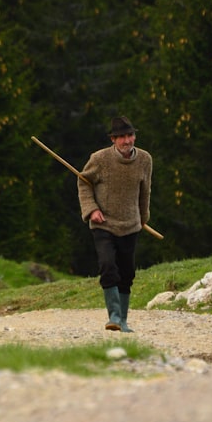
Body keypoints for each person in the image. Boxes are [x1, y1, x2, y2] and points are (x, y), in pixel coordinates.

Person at [78, 116, 152, 332]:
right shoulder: (99, 159)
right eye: (121, 137)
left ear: (134, 136)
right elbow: (84, 183)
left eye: (129, 135)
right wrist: (92, 210)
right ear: (113, 139)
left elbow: (145, 190)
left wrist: (143, 218)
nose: (127, 140)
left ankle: (123, 321)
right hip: (104, 223)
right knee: (108, 266)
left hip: (131, 224)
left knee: (127, 272)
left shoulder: (145, 159)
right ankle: (114, 317)